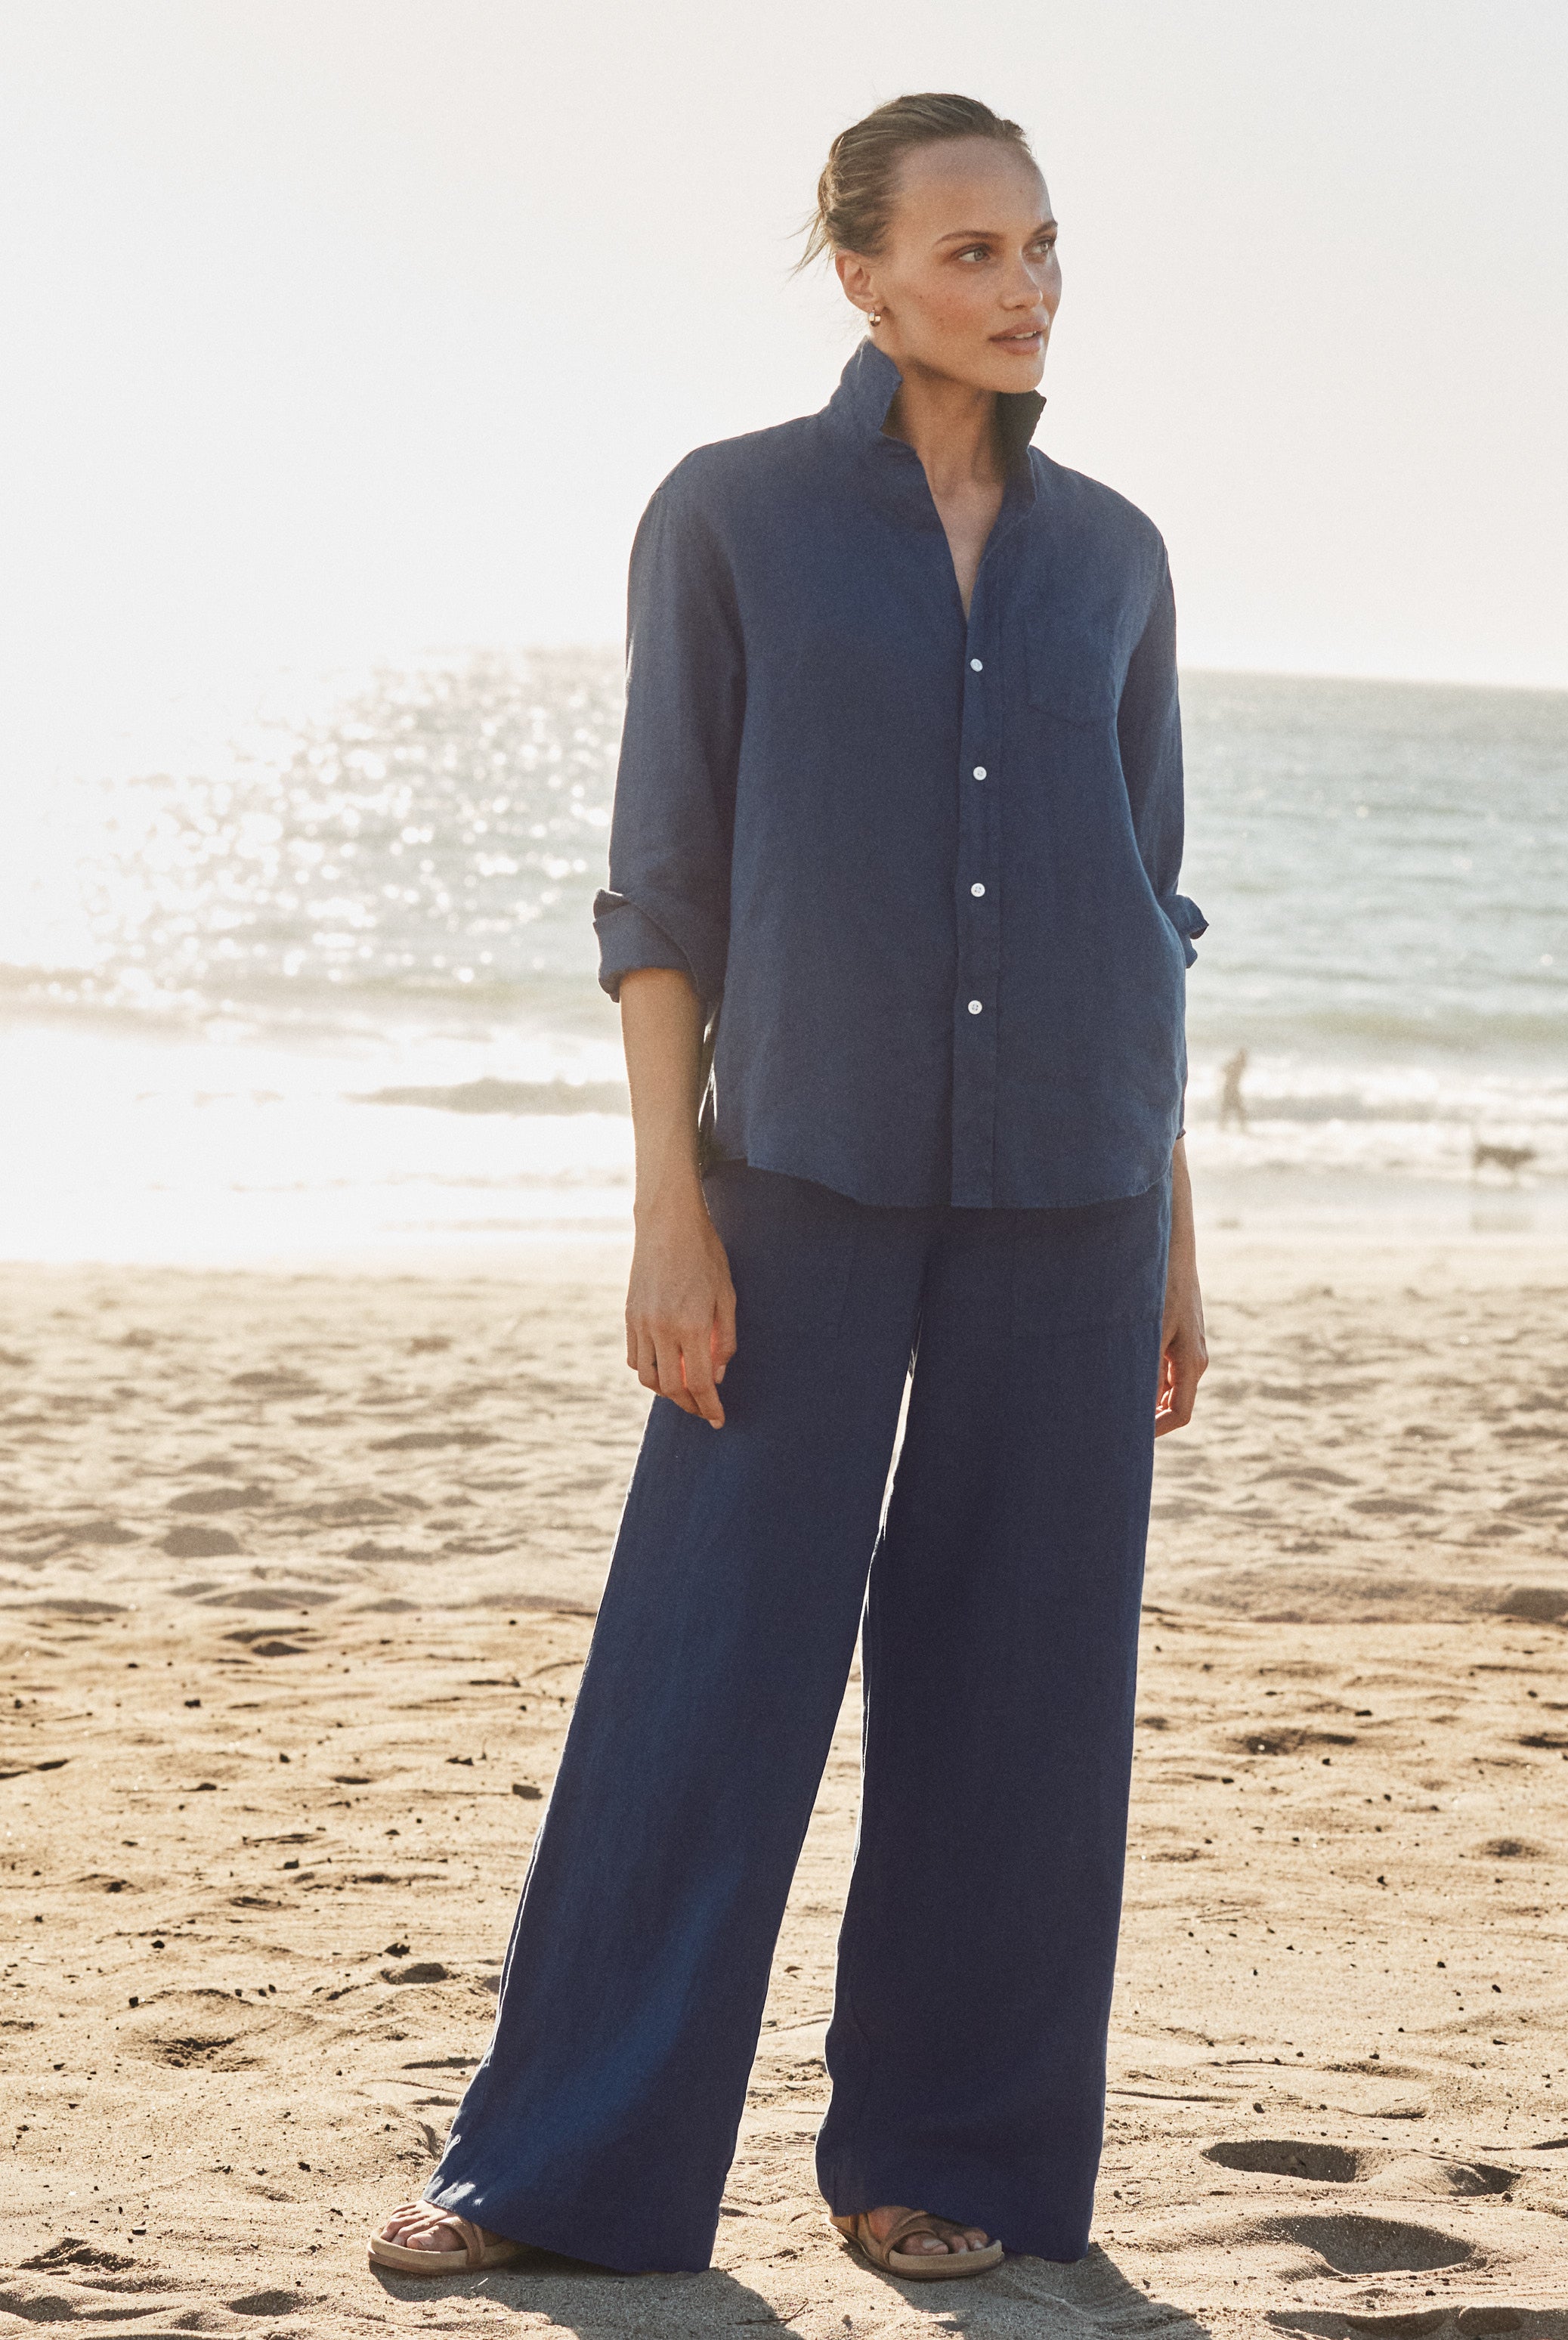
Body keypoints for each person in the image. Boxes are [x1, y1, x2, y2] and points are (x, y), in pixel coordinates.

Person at [372, 91, 1208, 2286]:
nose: (1022, 290)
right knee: (706, 1661)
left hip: (1075, 1188)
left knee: (1021, 1691)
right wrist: (670, 1204)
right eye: (970, 254)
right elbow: (662, 892)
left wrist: (1175, 1227)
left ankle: (950, 2166)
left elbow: (1153, 902)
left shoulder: (1115, 559)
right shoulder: (728, 521)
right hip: (798, 1174)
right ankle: (552, 2170)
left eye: (1039, 249)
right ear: (858, 271)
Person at [1219, 1046, 1248, 1130]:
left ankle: (1223, 1128)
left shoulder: (1240, 1064)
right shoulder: (1236, 1064)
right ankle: (1223, 1128)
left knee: (1234, 1110)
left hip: (1233, 1090)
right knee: (1229, 1110)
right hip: (1229, 1090)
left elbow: (1223, 1071)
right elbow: (1223, 1070)